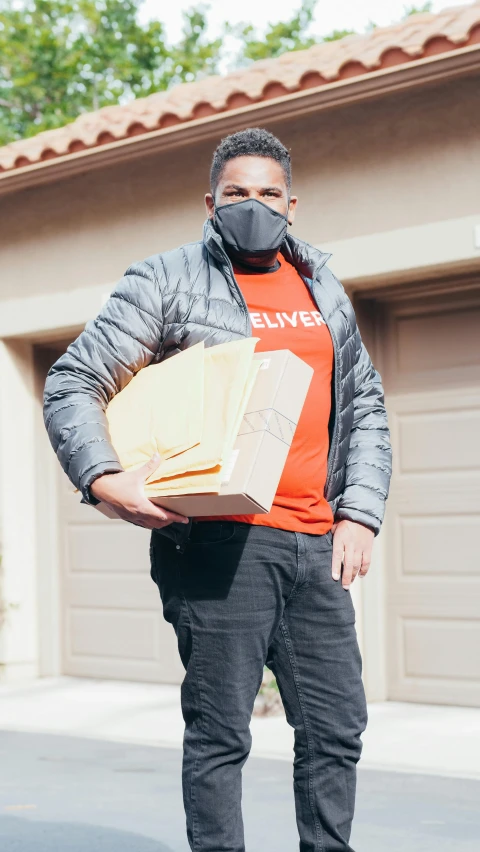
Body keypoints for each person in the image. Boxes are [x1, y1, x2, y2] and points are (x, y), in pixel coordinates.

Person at [44, 127, 392, 852]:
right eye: (237, 194)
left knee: (336, 729)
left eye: (268, 194)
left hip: (315, 541)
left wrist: (359, 511)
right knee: (220, 734)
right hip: (217, 538)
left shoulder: (323, 289)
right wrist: (105, 478)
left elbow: (363, 407)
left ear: (292, 205)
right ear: (210, 202)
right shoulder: (165, 279)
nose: (253, 206)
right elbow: (74, 380)